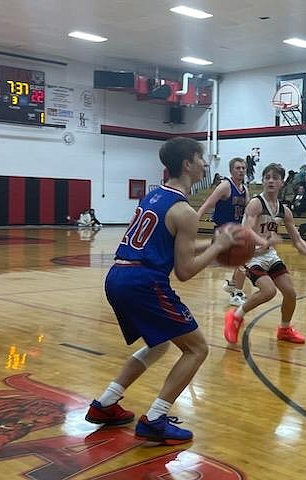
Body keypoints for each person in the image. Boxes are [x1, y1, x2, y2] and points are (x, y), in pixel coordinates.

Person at [85, 137, 240, 444]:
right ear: (187, 164)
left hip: (118, 276)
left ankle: (105, 404)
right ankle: (155, 418)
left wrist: (212, 244)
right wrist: (219, 247)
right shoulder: (185, 211)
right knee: (197, 349)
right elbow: (185, 272)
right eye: (201, 158)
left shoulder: (153, 197)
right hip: (144, 283)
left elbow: (169, 245)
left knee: (160, 345)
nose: (206, 164)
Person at [224, 163, 306, 345]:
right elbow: (246, 231)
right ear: (262, 181)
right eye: (267, 177)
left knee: (290, 293)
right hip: (249, 255)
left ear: (282, 183)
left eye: (275, 177)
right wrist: (264, 242)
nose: (271, 180)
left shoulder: (284, 210)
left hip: (269, 255)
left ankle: (284, 329)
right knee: (269, 291)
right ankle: (235, 316)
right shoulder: (256, 203)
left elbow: (297, 240)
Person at [197, 157, 251, 307]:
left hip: (237, 231)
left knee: (245, 260)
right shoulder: (225, 186)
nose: (241, 171)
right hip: (222, 232)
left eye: (243, 168)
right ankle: (234, 289)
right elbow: (207, 203)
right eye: (238, 168)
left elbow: (248, 211)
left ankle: (233, 288)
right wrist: (195, 220)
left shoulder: (245, 189)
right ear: (231, 170)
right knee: (241, 261)